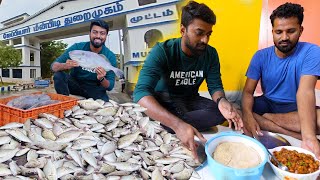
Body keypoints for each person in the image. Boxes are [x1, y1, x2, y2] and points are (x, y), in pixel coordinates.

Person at [133, 1, 243, 159]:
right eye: (199, 33)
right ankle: (174, 124)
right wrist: (177, 124)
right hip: (163, 99)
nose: (205, 40)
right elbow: (140, 94)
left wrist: (222, 101)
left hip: (189, 99)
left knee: (219, 112)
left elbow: (215, 85)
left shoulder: (210, 54)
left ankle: (166, 123)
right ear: (183, 30)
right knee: (152, 108)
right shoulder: (162, 51)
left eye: (209, 34)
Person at [242, 3, 320, 158]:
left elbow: (305, 91)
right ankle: (292, 131)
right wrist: (248, 117)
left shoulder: (312, 51)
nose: (284, 37)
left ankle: (270, 122)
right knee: (238, 111)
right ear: (272, 32)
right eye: (279, 32)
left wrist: (309, 137)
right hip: (268, 103)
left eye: (291, 31)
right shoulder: (260, 56)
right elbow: (248, 92)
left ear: (300, 30)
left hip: (296, 108)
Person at [51, 19, 117, 101]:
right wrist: (65, 65)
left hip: (95, 88)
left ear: (106, 36)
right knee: (58, 76)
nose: (98, 36)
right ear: (89, 33)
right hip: (76, 84)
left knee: (106, 106)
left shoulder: (110, 56)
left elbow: (110, 86)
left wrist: (101, 78)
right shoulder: (77, 48)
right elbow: (53, 66)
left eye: (102, 33)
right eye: (95, 32)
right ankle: (65, 103)